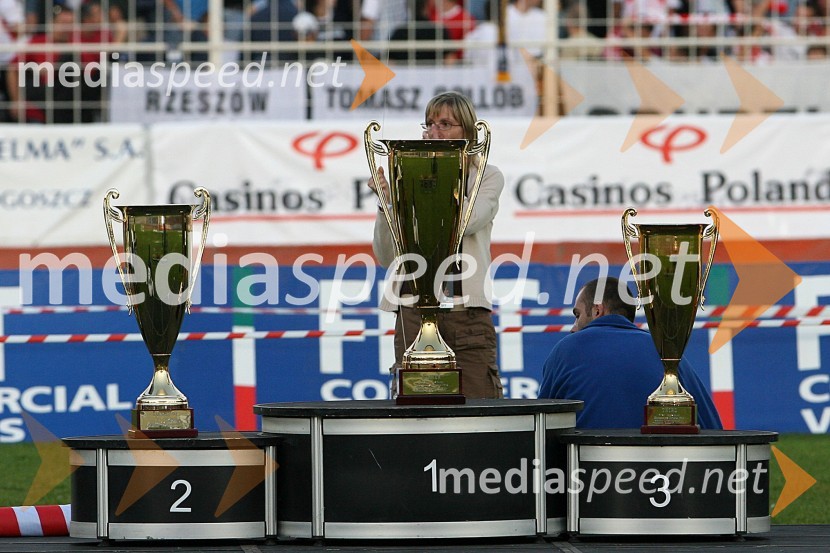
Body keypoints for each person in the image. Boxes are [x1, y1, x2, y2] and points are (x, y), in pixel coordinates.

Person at [368, 91, 505, 399]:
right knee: (415, 411)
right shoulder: (409, 176)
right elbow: (387, 257)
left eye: (446, 124)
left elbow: (467, 222)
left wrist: (439, 175)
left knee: (480, 407)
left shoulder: (486, 176)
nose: (435, 131)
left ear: (468, 133)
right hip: (412, 310)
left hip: (465, 311)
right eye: (430, 123)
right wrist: (388, 203)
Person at [539, 277, 723, 430]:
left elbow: (541, 427)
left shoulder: (565, 349)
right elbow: (713, 428)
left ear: (597, 310)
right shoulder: (666, 352)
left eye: (577, 315)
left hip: (586, 471)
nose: (573, 328)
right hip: (663, 471)